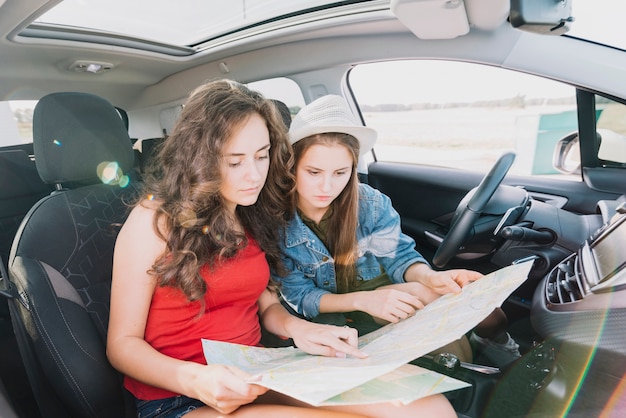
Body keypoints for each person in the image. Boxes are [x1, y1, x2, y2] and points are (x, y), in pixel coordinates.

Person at [107, 80, 457, 418]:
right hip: (181, 396)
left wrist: (300, 329)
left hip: (261, 373)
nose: (254, 175)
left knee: (428, 408)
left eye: (262, 156)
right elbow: (122, 345)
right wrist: (195, 379)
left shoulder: (253, 213)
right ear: (200, 158)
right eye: (235, 161)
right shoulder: (154, 220)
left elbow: (267, 306)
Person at [275, 94, 521, 367]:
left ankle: (503, 354)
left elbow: (399, 257)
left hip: (392, 295)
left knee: (483, 310)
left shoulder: (370, 203)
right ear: (292, 166)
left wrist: (429, 277)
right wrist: (366, 301)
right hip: (339, 313)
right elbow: (301, 297)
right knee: (450, 342)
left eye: (340, 173)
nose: (327, 187)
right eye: (314, 172)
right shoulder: (277, 222)